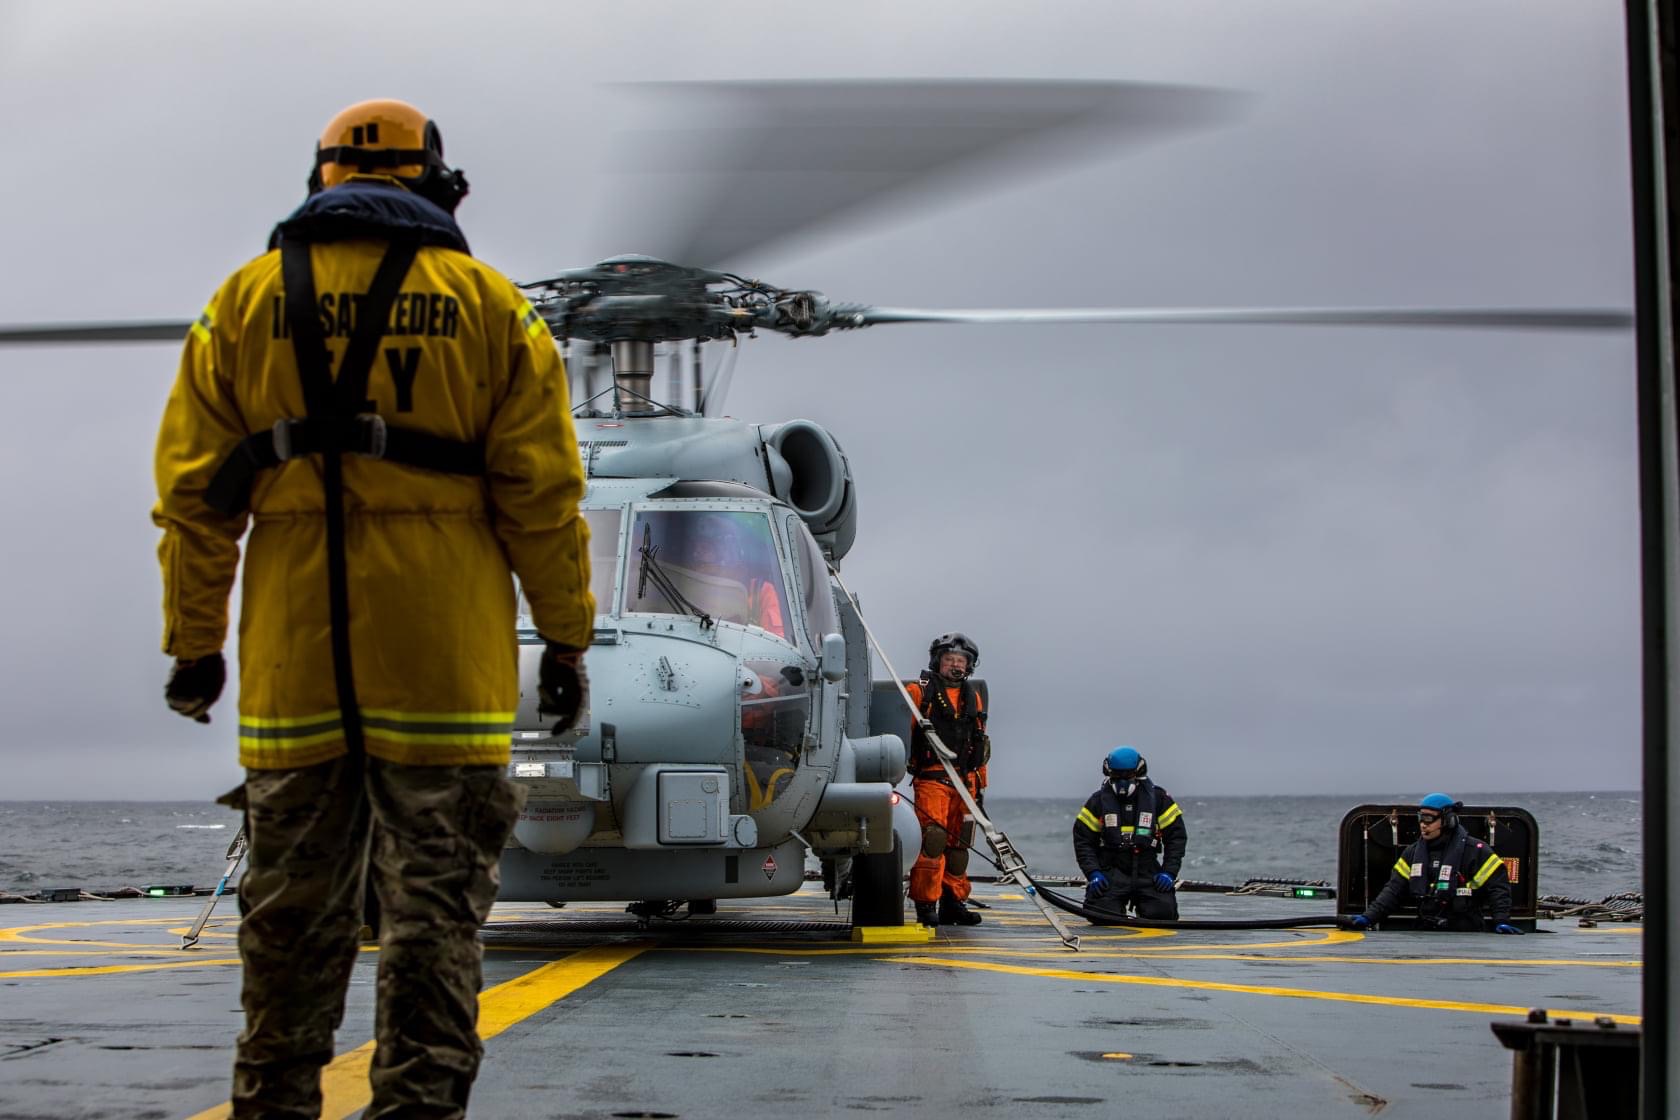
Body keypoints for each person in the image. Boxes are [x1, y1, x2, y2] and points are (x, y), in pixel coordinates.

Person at [153, 98, 595, 1119]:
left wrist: (195, 645)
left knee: (287, 927)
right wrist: (566, 639)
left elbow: (193, 498)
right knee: (435, 924)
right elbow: (544, 497)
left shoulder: (241, 304)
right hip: (445, 676)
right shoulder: (491, 307)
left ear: (323, 179)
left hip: (293, 675)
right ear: (434, 182)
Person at [905, 632, 990, 927]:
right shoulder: (920, 692)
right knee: (933, 840)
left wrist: (980, 785)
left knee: (960, 846)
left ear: (969, 665)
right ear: (937, 661)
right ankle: (926, 903)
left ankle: (954, 902)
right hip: (932, 779)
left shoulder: (972, 697)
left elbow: (979, 740)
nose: (955, 665)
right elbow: (905, 735)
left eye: (961, 661)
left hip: (965, 781)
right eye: (950, 659)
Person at [1347, 794, 1521, 934]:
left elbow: (1498, 889)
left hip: (1467, 930)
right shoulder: (1412, 854)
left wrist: (1501, 921)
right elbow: (1393, 890)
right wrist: (1368, 917)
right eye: (1420, 818)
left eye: (1428, 819)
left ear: (1448, 820)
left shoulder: (1476, 851)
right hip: (1424, 930)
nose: (1423, 825)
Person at [1072, 746, 1187, 921]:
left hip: (1147, 870)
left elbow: (1176, 838)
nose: (1122, 782)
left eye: (1127, 776)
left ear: (1138, 773)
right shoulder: (1097, 802)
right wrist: (1093, 873)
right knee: (1100, 915)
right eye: (1117, 776)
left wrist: (1169, 872)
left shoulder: (1159, 800)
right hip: (1112, 871)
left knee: (1163, 915)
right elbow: (1083, 841)